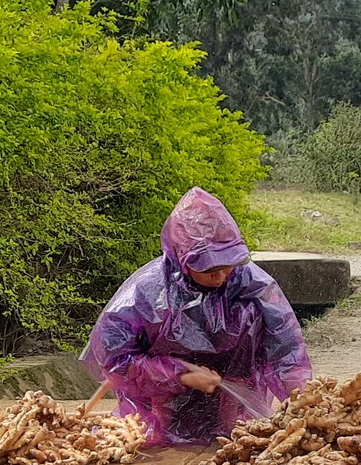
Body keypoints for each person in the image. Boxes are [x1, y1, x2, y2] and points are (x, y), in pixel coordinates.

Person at [84, 187, 312, 446]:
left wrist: (303, 403)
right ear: (182, 258)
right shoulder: (147, 292)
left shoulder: (254, 286)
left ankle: (233, 428)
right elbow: (117, 360)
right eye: (209, 270)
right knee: (163, 448)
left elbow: (287, 352)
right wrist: (179, 376)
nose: (221, 277)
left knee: (237, 445)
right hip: (160, 407)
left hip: (234, 406)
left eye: (227, 267)